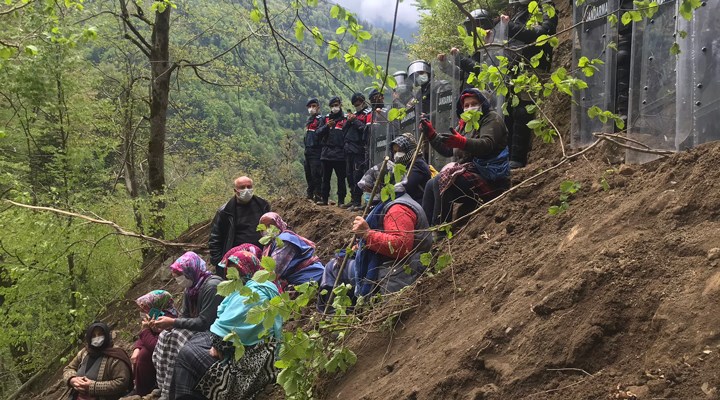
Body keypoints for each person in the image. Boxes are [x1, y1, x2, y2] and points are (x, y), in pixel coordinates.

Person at [173, 250, 282, 400]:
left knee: (187, 356)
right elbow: (224, 321)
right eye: (231, 271)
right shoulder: (250, 288)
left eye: (238, 270)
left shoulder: (254, 293)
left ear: (249, 270)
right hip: (241, 347)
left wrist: (218, 344)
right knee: (191, 346)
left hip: (251, 362)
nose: (234, 275)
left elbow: (227, 329)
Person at [319, 171, 432, 308]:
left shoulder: (397, 209)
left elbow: (401, 246)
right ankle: (350, 309)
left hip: (397, 272)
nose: (367, 194)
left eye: (369, 190)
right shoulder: (395, 202)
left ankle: (334, 312)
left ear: (381, 188)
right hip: (393, 266)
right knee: (343, 260)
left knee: (333, 268)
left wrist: (367, 234)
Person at [420, 88, 510, 228]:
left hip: (490, 175)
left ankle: (441, 231)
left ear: (483, 103)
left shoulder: (492, 119)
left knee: (441, 180)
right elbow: (449, 150)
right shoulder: (466, 125)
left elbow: (487, 144)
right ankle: (425, 232)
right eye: (466, 105)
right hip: (471, 172)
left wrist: (462, 142)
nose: (469, 108)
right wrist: (431, 135)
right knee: (430, 184)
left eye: (474, 103)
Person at [150, 252, 223, 400]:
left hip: (211, 331)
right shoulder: (190, 289)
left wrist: (173, 323)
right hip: (197, 328)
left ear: (191, 270)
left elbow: (204, 322)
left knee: (177, 339)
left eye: (179, 275)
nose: (178, 279)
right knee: (166, 335)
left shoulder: (212, 287)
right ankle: (164, 386)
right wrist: (168, 325)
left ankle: (172, 389)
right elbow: (185, 316)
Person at [502, 0, 558, 168]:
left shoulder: (546, 6)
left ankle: (518, 158)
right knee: (508, 112)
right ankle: (507, 157)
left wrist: (510, 27)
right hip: (513, 69)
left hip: (534, 68)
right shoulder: (520, 11)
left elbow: (542, 32)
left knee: (523, 111)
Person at [208, 176, 271, 277]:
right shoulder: (225, 212)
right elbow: (215, 238)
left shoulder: (262, 205)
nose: (246, 190)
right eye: (242, 187)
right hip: (237, 262)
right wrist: (219, 264)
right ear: (235, 190)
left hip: (261, 257)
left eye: (249, 186)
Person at [63, 322, 133, 400]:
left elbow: (122, 382)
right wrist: (72, 379)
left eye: (100, 334)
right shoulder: (85, 352)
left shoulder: (116, 356)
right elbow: (68, 368)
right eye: (93, 335)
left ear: (106, 335)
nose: (97, 338)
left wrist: (93, 386)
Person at [258, 212, 324, 290]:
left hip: (310, 278)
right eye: (264, 228)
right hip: (298, 280)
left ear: (278, 224)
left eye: (270, 226)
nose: (267, 230)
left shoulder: (285, 241)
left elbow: (273, 271)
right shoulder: (270, 244)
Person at [131, 290, 178, 397]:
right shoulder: (156, 316)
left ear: (157, 304)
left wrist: (145, 330)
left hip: (163, 369)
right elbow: (144, 336)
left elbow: (157, 345)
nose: (143, 311)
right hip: (146, 377)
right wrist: (137, 348)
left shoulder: (168, 320)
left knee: (144, 355)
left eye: (146, 307)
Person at [342, 92, 373, 210]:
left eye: (358, 103)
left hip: (359, 150)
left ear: (363, 101)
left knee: (357, 175)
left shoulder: (368, 114)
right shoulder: (353, 114)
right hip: (348, 149)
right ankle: (353, 199)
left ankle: (357, 201)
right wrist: (349, 121)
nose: (357, 105)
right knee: (349, 175)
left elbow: (366, 130)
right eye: (355, 104)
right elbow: (344, 131)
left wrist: (355, 121)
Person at [316, 96, 348, 206]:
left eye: (337, 105)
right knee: (325, 178)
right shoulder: (325, 119)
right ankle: (324, 199)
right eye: (333, 106)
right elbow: (318, 133)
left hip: (340, 154)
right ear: (330, 107)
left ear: (340, 105)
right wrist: (326, 126)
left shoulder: (345, 119)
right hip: (326, 153)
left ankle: (341, 201)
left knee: (341, 178)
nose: (335, 107)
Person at [390, 133, 431, 204]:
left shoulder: (417, 164)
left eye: (400, 150)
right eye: (395, 152)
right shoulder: (406, 164)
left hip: (418, 205)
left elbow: (407, 187)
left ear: (408, 149)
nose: (397, 154)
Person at [303, 97, 325, 202]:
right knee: (308, 174)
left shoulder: (321, 119)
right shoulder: (309, 120)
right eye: (310, 107)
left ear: (318, 107)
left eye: (313, 106)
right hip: (308, 151)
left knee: (316, 174)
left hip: (316, 151)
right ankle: (310, 194)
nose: (311, 108)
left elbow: (319, 134)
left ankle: (319, 195)